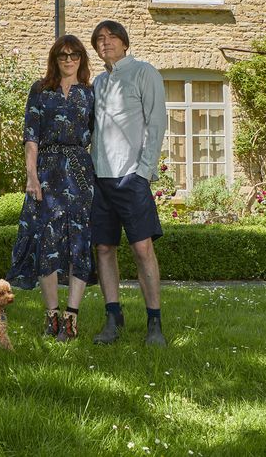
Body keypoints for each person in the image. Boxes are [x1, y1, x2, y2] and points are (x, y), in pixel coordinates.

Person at [7, 34, 96, 342]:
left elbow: (100, 136)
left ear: (82, 59)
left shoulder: (90, 93)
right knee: (46, 237)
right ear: (55, 59)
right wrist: (31, 175)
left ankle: (72, 317)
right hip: (46, 170)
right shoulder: (41, 90)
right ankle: (51, 317)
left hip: (81, 173)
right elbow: (30, 136)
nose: (69, 60)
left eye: (74, 55)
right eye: (63, 55)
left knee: (78, 240)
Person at [89, 20, 168, 346]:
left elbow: (157, 121)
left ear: (124, 42)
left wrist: (144, 170)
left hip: (131, 177)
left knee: (142, 248)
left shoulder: (144, 72)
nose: (105, 43)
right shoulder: (98, 82)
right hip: (101, 178)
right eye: (99, 39)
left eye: (111, 37)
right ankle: (112, 317)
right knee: (104, 248)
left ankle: (154, 323)